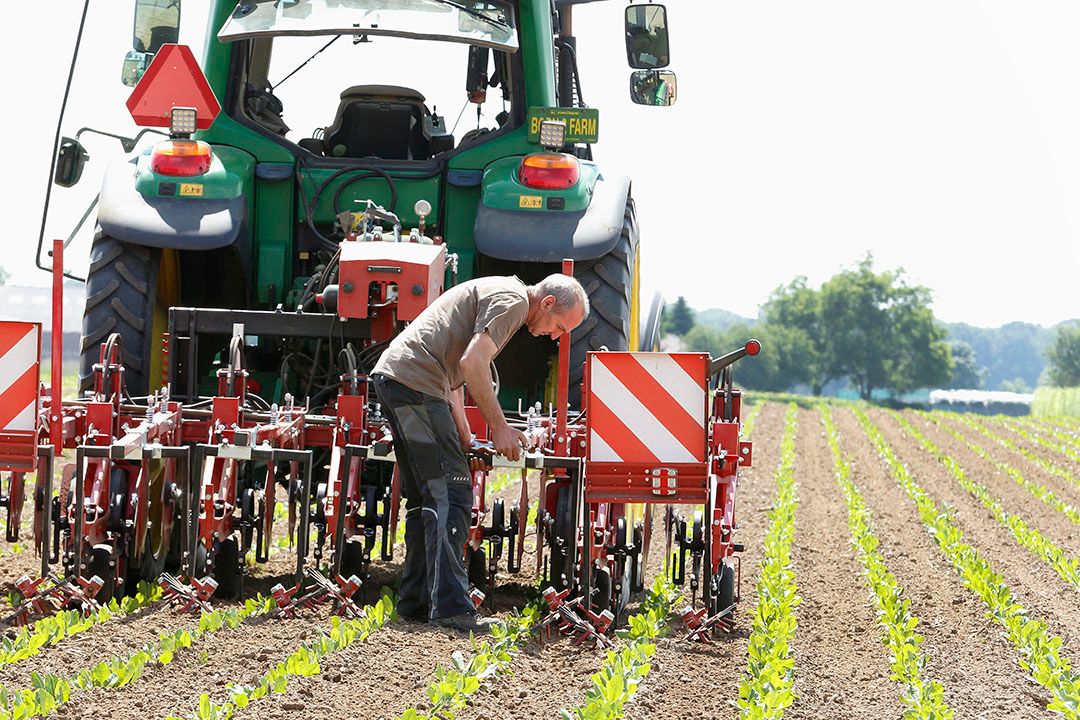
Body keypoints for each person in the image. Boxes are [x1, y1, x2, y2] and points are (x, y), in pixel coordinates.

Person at [370, 273, 589, 633]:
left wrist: (467, 437)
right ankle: (452, 610)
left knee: (425, 499)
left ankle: (416, 602)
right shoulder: (514, 301)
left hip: (399, 379)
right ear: (547, 303)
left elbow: (455, 377)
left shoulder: (499, 292)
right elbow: (474, 364)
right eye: (558, 327)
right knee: (452, 496)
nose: (554, 336)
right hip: (416, 383)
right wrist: (500, 427)